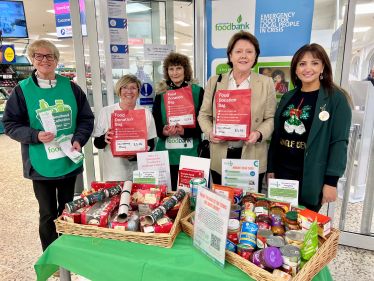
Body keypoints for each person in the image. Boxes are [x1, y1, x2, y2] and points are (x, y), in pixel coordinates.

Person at [2, 39, 94, 251]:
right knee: (47, 212)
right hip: (40, 162)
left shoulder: (72, 88)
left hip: (67, 158)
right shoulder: (21, 91)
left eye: (49, 56)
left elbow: (86, 119)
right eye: (39, 56)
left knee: (67, 209)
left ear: (56, 60)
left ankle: (68, 252)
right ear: (32, 60)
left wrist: (79, 139)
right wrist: (34, 135)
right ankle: (51, 255)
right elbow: (10, 124)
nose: (45, 60)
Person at [267, 43, 353, 212]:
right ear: (295, 69)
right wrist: (271, 168)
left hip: (313, 175)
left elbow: (339, 142)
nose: (308, 68)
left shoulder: (336, 98)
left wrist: (331, 182)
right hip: (283, 172)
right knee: (280, 221)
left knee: (305, 228)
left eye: (314, 63)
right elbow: (277, 135)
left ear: (323, 67)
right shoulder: (288, 96)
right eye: (302, 64)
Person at [198, 31, 277, 188]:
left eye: (249, 52)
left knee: (248, 205)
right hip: (221, 153)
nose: (244, 56)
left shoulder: (266, 83)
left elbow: (270, 118)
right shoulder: (214, 82)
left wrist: (259, 134)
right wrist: (209, 132)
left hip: (251, 154)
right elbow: (203, 115)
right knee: (222, 199)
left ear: (255, 57)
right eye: (238, 51)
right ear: (230, 56)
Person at [153, 52, 205, 191]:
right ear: (167, 71)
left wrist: (186, 131)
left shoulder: (198, 92)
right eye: (171, 69)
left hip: (191, 152)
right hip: (167, 154)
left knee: (190, 194)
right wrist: (162, 130)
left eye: (178, 68)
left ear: (186, 70)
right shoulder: (160, 94)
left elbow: (204, 121)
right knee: (169, 193)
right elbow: (155, 121)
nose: (175, 73)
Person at [92, 74, 157, 181]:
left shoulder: (145, 113)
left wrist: (134, 156)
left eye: (133, 88)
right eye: (125, 87)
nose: (129, 91)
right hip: (114, 173)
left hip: (139, 173)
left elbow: (151, 144)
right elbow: (97, 144)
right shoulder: (106, 112)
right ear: (119, 90)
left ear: (138, 91)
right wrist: (105, 137)